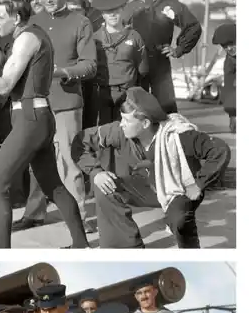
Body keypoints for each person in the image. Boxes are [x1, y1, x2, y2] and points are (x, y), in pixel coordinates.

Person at [0, 0, 88, 249]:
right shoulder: (28, 35)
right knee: (54, 186)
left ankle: (2, 253)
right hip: (33, 115)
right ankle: (82, 245)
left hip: (30, 117)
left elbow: (5, 85)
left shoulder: (27, 37)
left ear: (16, 17)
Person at [73, 87, 231, 248]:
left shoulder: (178, 135)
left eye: (126, 120)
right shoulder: (119, 131)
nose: (122, 124)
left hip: (180, 189)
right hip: (149, 188)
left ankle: (190, 250)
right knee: (105, 187)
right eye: (122, 119)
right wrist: (96, 172)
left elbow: (220, 150)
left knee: (179, 221)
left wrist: (198, 184)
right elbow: (81, 141)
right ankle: (127, 248)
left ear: (145, 123)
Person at [17, 0, 97, 233]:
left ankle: (79, 222)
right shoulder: (33, 23)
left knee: (70, 164)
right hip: (37, 102)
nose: (48, 0)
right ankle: (35, 213)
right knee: (36, 160)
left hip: (66, 102)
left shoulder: (80, 22)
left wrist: (64, 72)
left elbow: (90, 65)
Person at [121, 0, 201, 114]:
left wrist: (179, 49)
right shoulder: (130, 6)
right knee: (136, 105)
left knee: (167, 105)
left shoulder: (170, 3)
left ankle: (168, 135)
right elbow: (118, 31)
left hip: (160, 60)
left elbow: (193, 26)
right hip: (136, 62)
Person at [91, 0, 148, 124]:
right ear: (102, 14)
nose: (112, 15)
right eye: (107, 11)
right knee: (105, 134)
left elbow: (143, 69)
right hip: (102, 94)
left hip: (128, 94)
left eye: (116, 10)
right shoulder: (95, 38)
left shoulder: (134, 37)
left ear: (123, 10)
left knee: (127, 133)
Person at [211, 23, 236, 133]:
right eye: (224, 46)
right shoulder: (230, 61)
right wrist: (232, 115)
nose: (229, 48)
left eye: (232, 43)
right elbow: (229, 87)